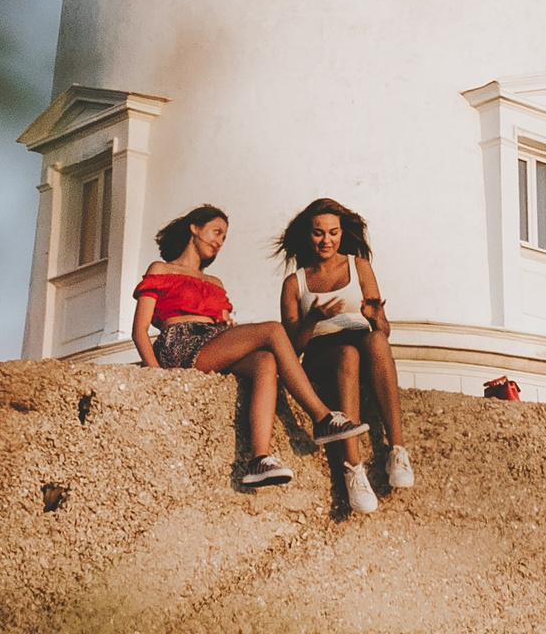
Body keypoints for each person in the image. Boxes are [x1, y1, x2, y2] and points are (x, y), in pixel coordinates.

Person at [133, 205, 368, 489]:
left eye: (224, 238)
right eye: (216, 232)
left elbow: (219, 325)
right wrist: (156, 374)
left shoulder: (215, 282)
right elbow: (140, 330)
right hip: (180, 342)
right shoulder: (161, 269)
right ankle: (322, 417)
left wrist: (227, 329)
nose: (219, 241)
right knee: (272, 330)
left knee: (265, 361)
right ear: (194, 228)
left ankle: (259, 459)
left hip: (211, 340)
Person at [276, 198, 413, 514]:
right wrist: (313, 317)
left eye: (333, 233)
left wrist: (374, 315)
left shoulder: (359, 266)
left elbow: (385, 329)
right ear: (307, 235)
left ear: (342, 233)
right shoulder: (294, 283)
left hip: (361, 340)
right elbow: (292, 347)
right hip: (322, 353)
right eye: (318, 233)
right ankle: (353, 469)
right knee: (347, 354)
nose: (326, 240)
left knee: (376, 340)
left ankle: (397, 450)